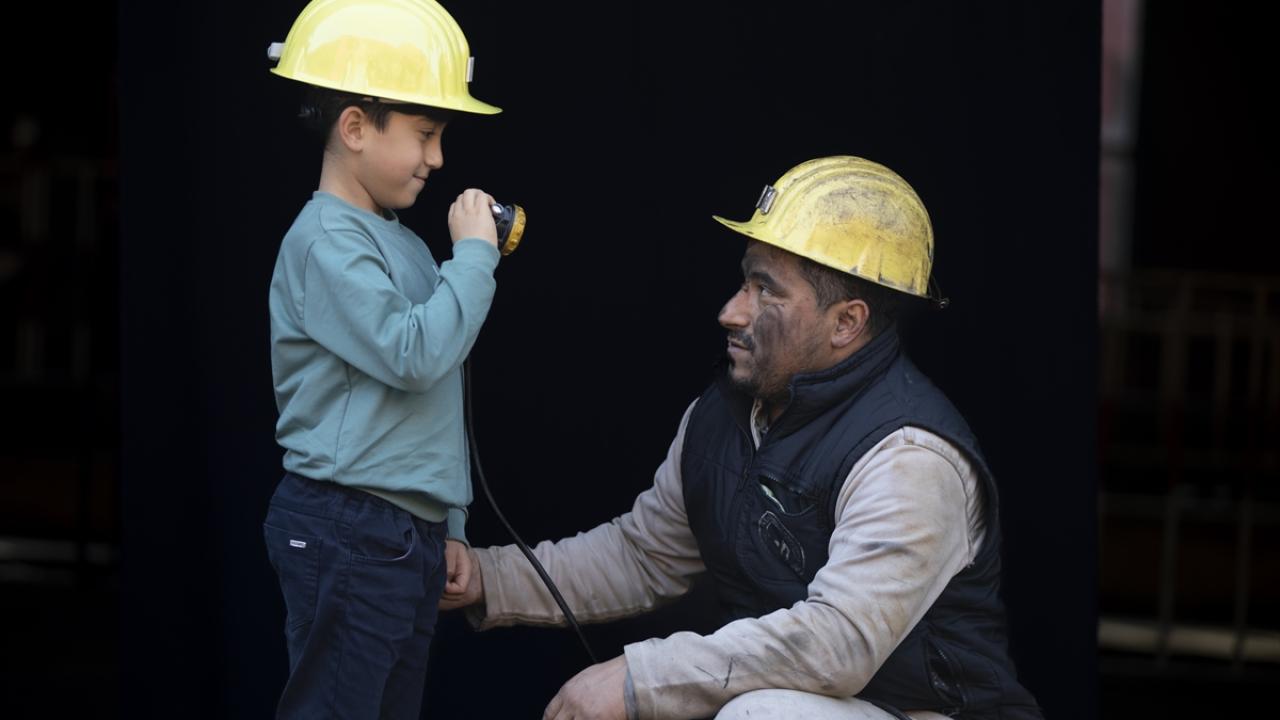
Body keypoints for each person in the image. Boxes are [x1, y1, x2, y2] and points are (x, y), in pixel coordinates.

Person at [442, 156, 1044, 720]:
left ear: (847, 323)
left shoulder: (909, 457)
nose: (731, 311)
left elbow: (834, 645)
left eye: (766, 291)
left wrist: (636, 677)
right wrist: (484, 577)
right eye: (743, 283)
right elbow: (642, 554)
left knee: (760, 714)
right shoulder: (724, 413)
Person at [261, 1, 506, 717]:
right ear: (356, 127)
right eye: (425, 134)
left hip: (402, 532)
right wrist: (475, 255)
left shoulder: (393, 239)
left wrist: (449, 522)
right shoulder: (325, 244)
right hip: (348, 524)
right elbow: (416, 355)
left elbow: (433, 395)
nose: (437, 157)